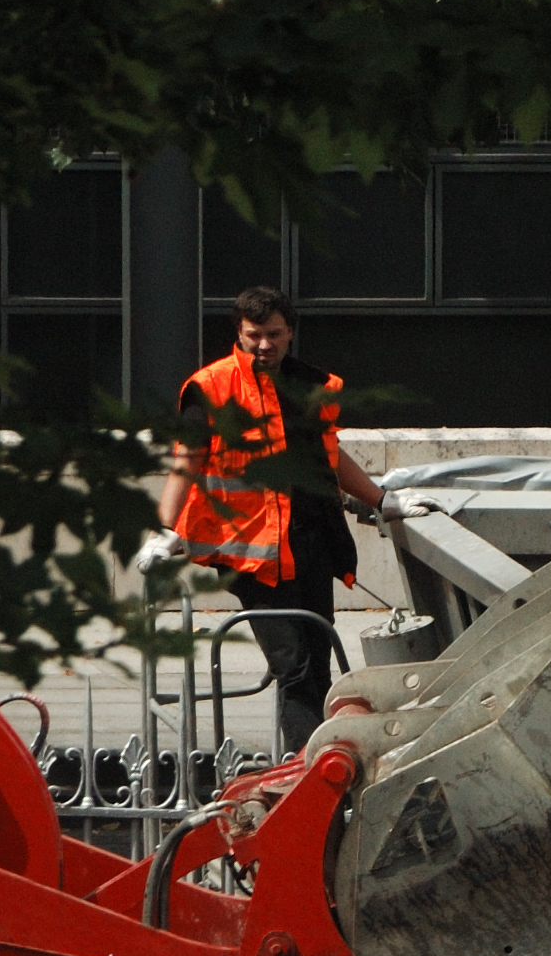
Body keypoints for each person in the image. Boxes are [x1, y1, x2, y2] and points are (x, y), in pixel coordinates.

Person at [134, 287, 384, 753]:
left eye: (273, 334)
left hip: (309, 545)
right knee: (296, 667)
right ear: (239, 333)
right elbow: (185, 461)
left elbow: (331, 458)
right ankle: (310, 771)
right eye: (254, 335)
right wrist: (164, 530)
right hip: (249, 555)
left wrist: (383, 499)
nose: (264, 345)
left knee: (318, 661)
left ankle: (318, 765)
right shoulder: (211, 388)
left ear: (290, 333)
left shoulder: (313, 386)